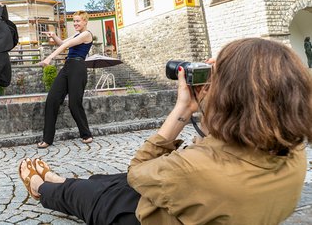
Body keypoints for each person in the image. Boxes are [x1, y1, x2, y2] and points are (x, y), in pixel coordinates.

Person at [19, 38, 312, 224]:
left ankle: (43, 188)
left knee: (94, 196)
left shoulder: (194, 168)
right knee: (105, 179)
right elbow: (235, 133)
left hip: (146, 215)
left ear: (230, 99)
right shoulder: (294, 152)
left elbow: (138, 173)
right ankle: (62, 180)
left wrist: (183, 108)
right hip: (198, 203)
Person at [36, 11, 93, 148]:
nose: (75, 23)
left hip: (78, 68)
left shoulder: (87, 34)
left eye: (78, 21)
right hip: (67, 67)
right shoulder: (76, 35)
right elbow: (62, 43)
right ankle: (47, 139)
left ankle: (86, 134)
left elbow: (66, 46)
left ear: (85, 22)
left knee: (74, 104)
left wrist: (50, 57)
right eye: (74, 21)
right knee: (52, 100)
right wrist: (54, 36)